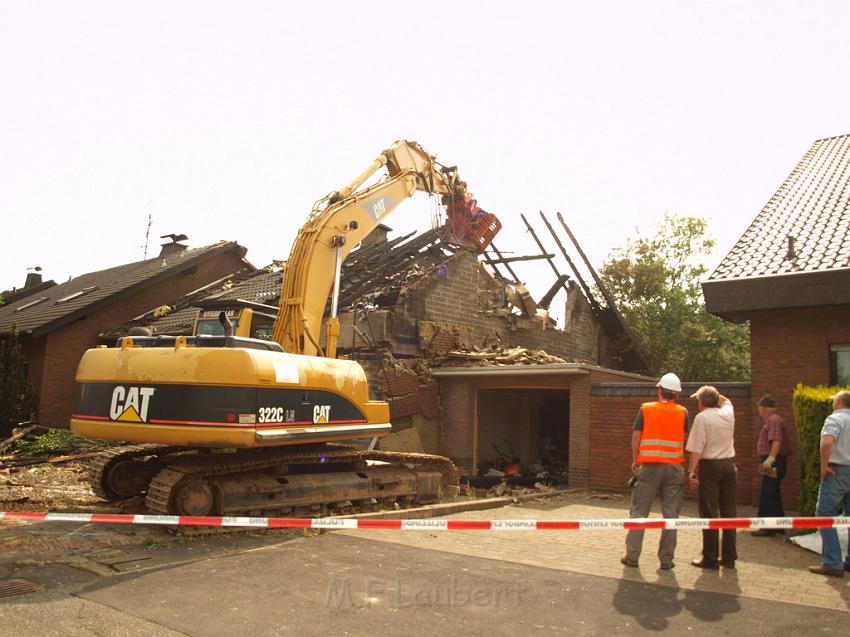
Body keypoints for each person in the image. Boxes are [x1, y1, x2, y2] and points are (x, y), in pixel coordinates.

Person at [622, 372, 689, 570]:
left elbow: (636, 437)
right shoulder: (683, 412)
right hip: (674, 468)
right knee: (671, 516)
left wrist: (636, 460)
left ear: (659, 390)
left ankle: (632, 556)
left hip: (650, 467)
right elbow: (682, 438)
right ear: (676, 394)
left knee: (639, 512)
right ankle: (666, 560)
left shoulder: (646, 409)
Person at [686, 385, 737, 569]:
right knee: (729, 513)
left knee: (709, 512)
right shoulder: (728, 413)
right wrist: (710, 394)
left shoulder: (702, 418)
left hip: (710, 468)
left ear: (701, 403)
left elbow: (697, 449)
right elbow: (726, 401)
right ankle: (729, 557)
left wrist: (691, 472)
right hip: (729, 466)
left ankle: (710, 557)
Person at [809, 390, 850, 577]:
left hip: (838, 471)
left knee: (824, 515)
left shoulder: (835, 419)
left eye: (834, 400)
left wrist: (824, 467)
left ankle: (832, 562)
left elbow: (827, 442)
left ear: (840, 402)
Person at [751, 394, 793, 536]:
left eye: (759, 407)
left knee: (767, 493)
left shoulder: (773, 420)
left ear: (763, 408)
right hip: (773, 460)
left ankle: (767, 527)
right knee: (773, 493)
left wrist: (770, 459)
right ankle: (779, 526)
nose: (759, 410)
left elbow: (776, 440)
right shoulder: (772, 420)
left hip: (773, 461)